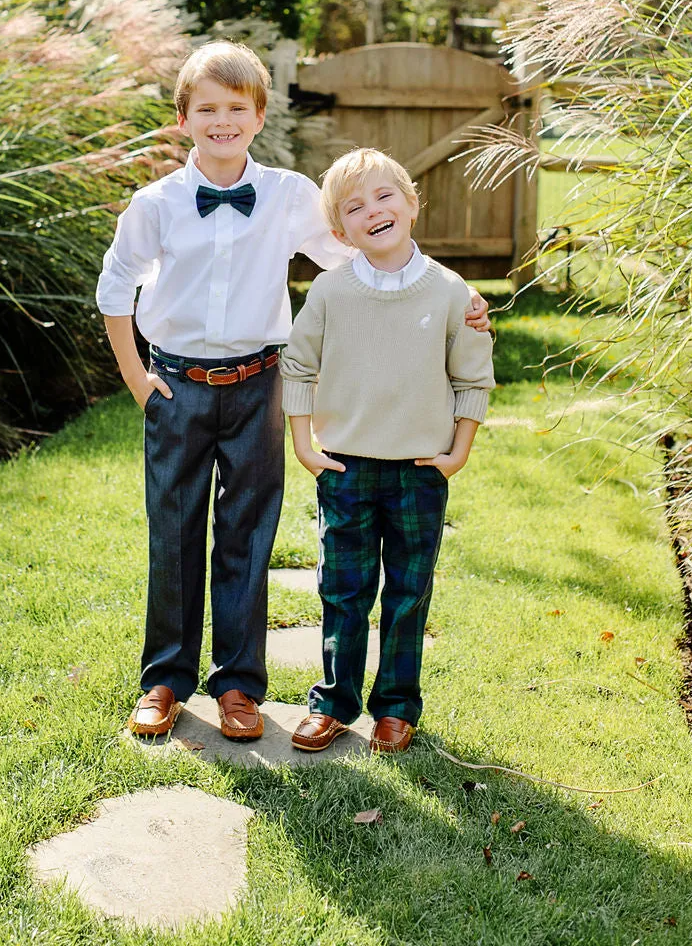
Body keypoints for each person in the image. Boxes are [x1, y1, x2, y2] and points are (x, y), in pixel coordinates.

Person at [97, 44, 491, 742]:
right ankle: (165, 679)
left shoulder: (287, 195)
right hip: (177, 385)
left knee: (248, 534)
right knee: (176, 532)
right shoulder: (155, 203)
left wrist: (454, 295)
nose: (223, 121)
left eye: (236, 109)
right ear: (185, 118)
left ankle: (240, 686)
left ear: (258, 115)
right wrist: (135, 375)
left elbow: (357, 255)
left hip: (260, 385)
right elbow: (116, 281)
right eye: (208, 109)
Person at [280, 146, 496, 755]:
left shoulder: (453, 294)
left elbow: (473, 378)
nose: (373, 211)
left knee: (408, 591)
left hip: (420, 472)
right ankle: (333, 702)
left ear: (411, 203)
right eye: (355, 207)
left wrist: (458, 452)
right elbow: (296, 364)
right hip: (345, 467)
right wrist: (304, 442)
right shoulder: (329, 292)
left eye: (384, 196)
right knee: (343, 590)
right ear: (338, 229)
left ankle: (397, 706)